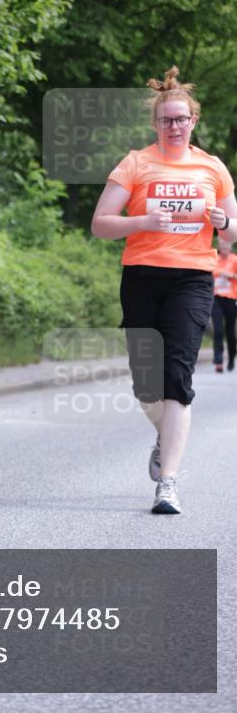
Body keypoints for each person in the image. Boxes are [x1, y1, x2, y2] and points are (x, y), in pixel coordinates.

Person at [91, 66, 237, 514]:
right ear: (155, 124)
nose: (174, 127)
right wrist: (142, 221)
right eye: (166, 120)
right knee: (146, 384)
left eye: (181, 119)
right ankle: (165, 435)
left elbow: (234, 233)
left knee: (177, 378)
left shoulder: (212, 167)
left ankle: (168, 483)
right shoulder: (135, 163)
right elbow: (100, 224)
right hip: (141, 276)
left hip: (191, 278)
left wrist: (225, 223)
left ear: (194, 121)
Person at [211, 238, 237, 373]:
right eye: (222, 245)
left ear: (230, 247)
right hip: (216, 298)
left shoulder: (235, 260)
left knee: (230, 332)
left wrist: (231, 275)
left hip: (231, 299)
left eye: (227, 245)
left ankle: (232, 357)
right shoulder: (214, 258)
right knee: (218, 331)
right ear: (219, 247)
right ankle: (218, 360)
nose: (225, 248)